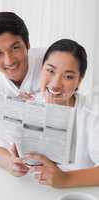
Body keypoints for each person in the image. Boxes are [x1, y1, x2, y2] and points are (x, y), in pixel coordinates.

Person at [23, 39, 99, 188]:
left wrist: (65, 179)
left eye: (68, 76)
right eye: (50, 71)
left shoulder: (92, 115)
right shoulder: (30, 104)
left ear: (79, 81)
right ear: (41, 69)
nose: (56, 84)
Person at [0, 11, 45, 177]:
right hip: (18, 161)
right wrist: (10, 164)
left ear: (27, 44)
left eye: (15, 48)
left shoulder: (50, 62)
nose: (9, 61)